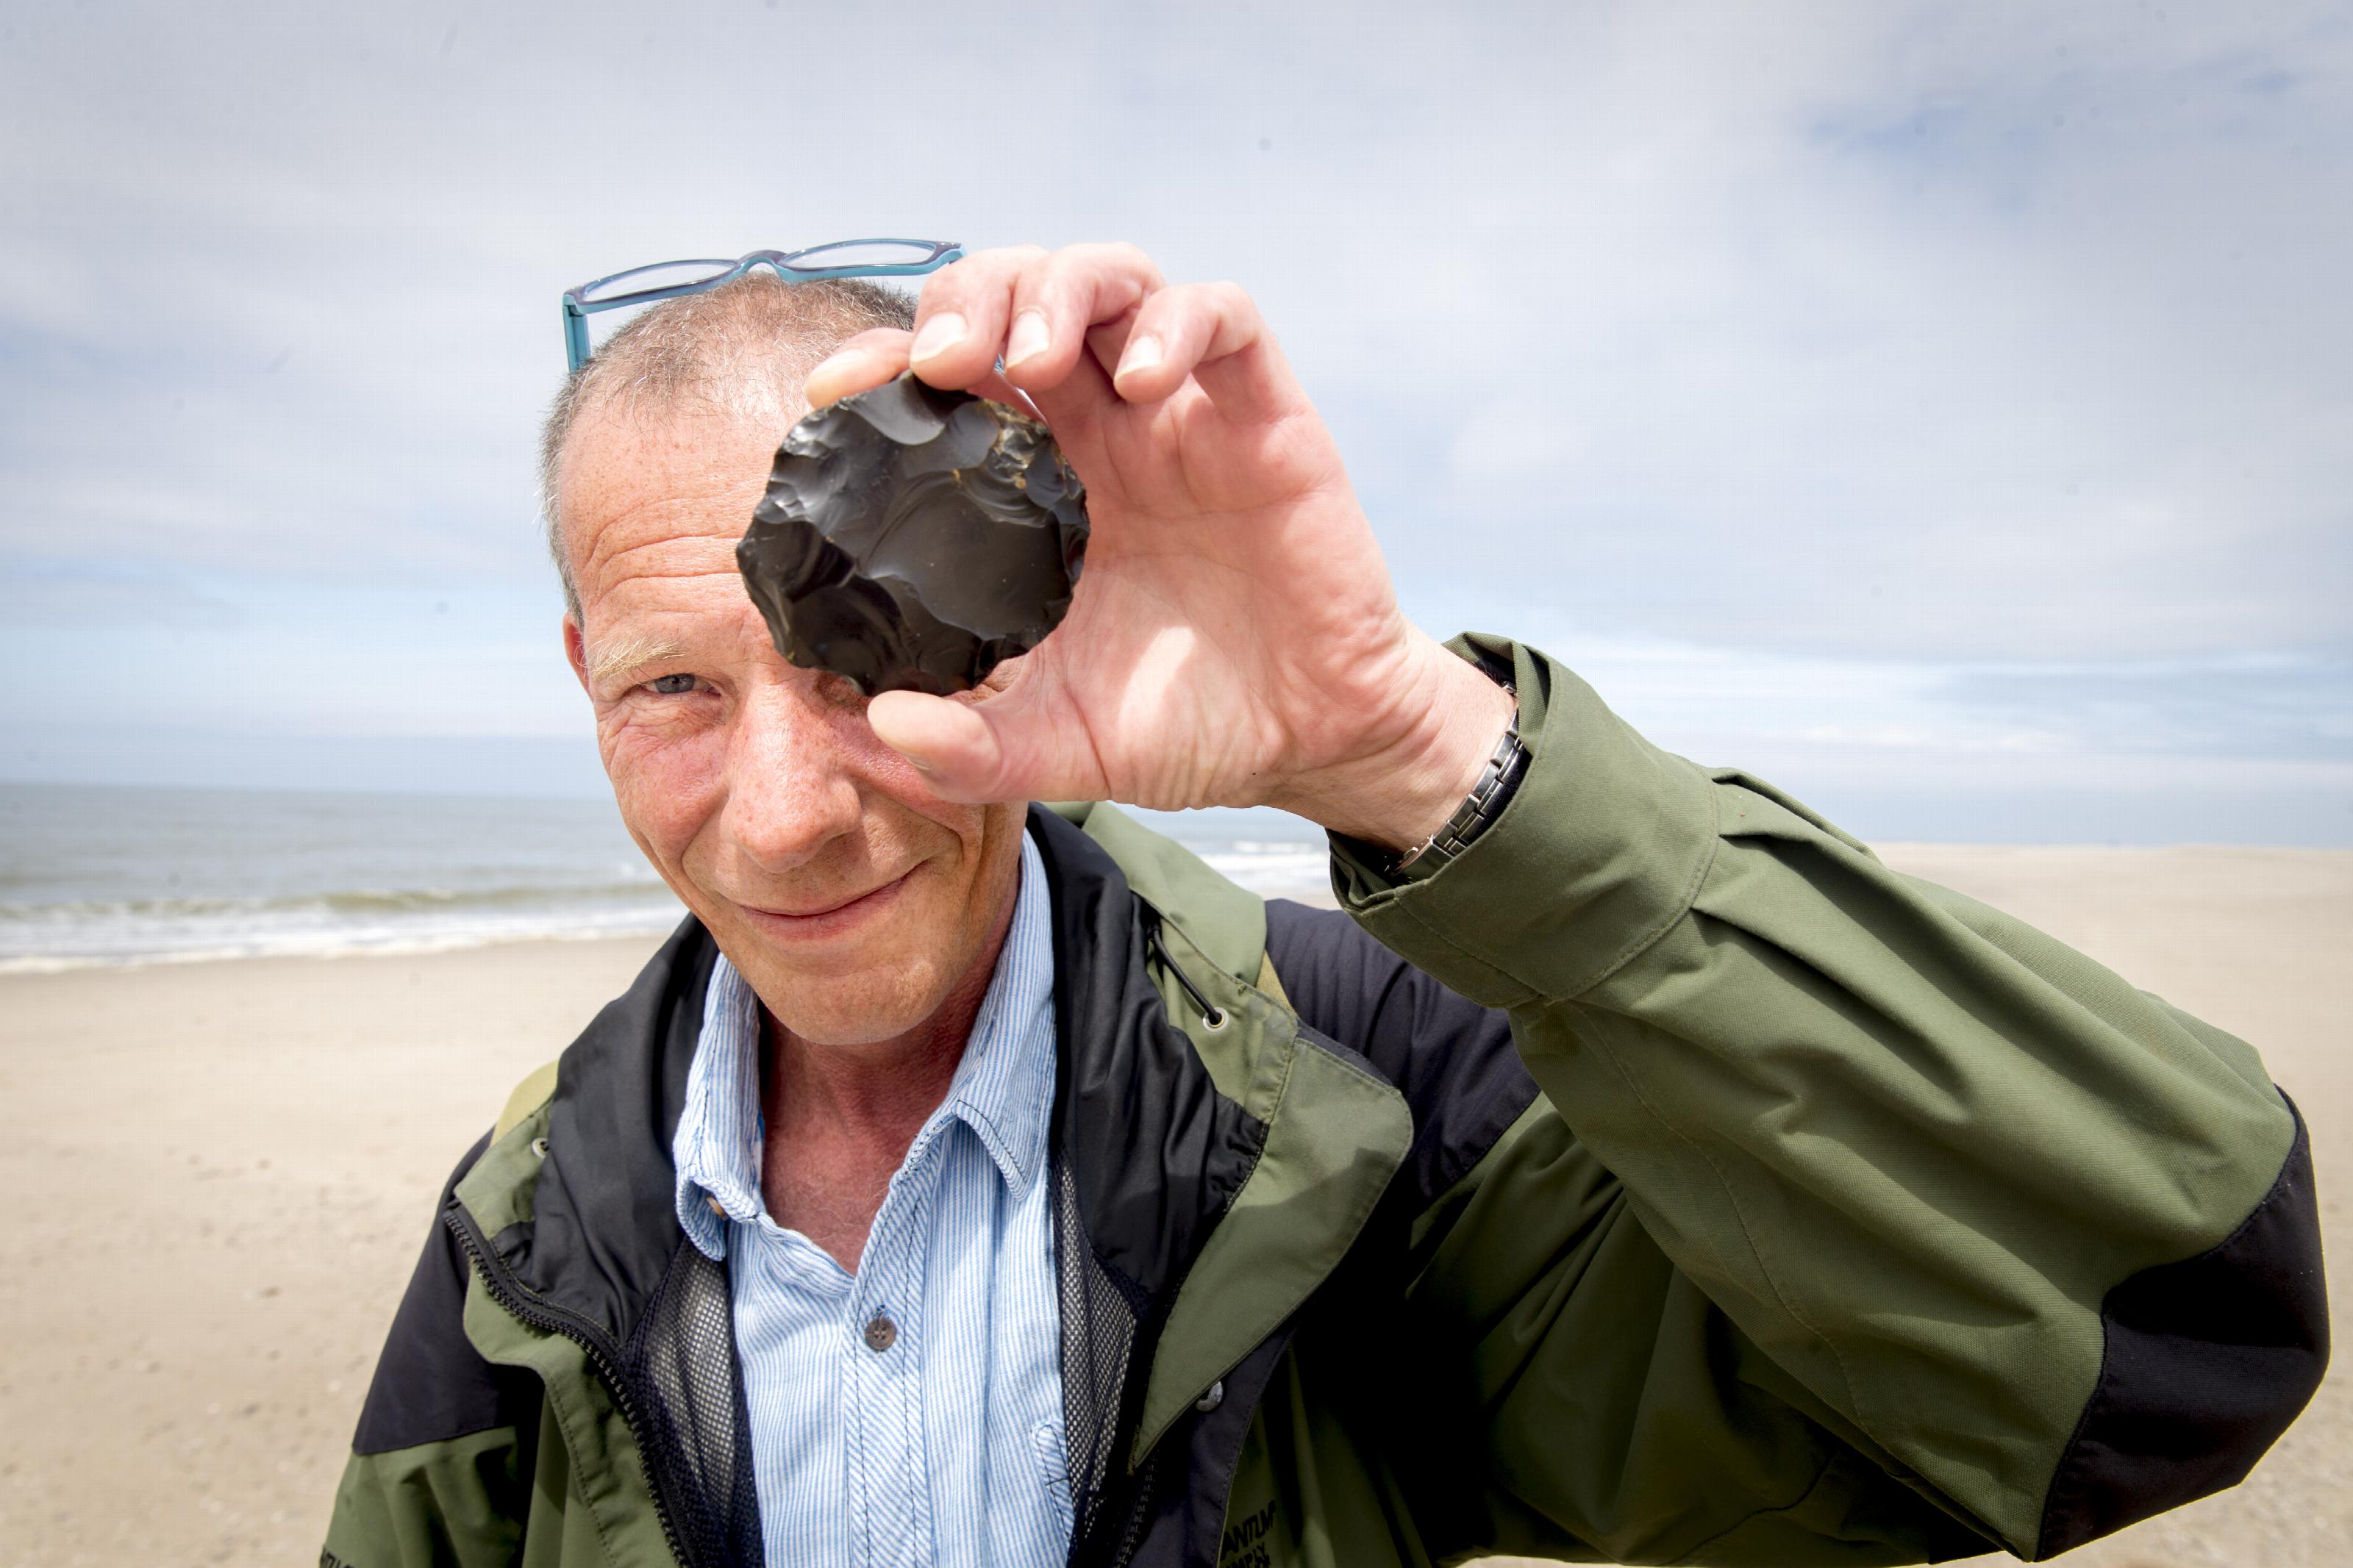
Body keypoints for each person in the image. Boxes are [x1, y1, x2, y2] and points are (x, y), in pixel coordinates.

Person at [321, 243, 2326, 1568]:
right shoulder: (536, 1218)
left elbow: (2156, 1337)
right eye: (674, 689)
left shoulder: (1364, 1106)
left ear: (1016, 625)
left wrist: (1399, 743)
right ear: (580, 668)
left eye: (863, 655)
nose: (780, 823)